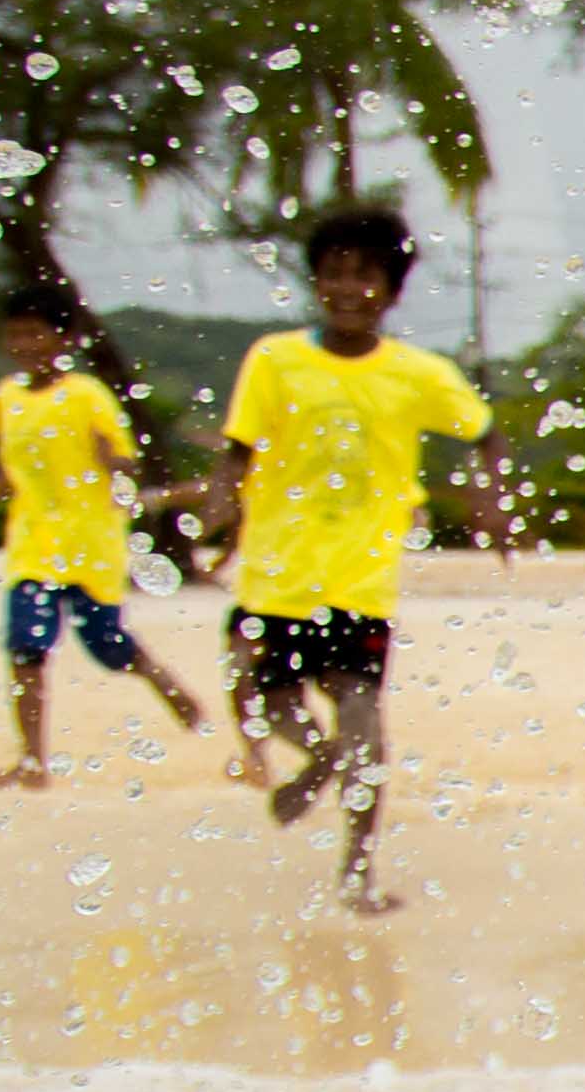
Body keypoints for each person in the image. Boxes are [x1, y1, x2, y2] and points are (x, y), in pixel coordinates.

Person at [197, 206, 510, 915]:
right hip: (276, 580)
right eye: (333, 272)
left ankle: (357, 874)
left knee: (365, 726)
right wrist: (220, 501)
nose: (346, 287)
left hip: (362, 586)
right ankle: (322, 761)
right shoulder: (275, 360)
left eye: (363, 275)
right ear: (315, 281)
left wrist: (489, 500)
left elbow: (486, 435)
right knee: (274, 702)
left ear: (391, 291)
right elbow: (236, 450)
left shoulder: (418, 374)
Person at [0, 283, 203, 784]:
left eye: (35, 334)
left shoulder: (87, 394)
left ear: (63, 340)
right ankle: (32, 761)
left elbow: (119, 451)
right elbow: (16, 469)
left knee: (105, 646)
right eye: (14, 335)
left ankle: (158, 678)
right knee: (26, 649)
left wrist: (117, 468)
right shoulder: (7, 398)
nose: (24, 345)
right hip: (32, 546)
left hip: (91, 546)